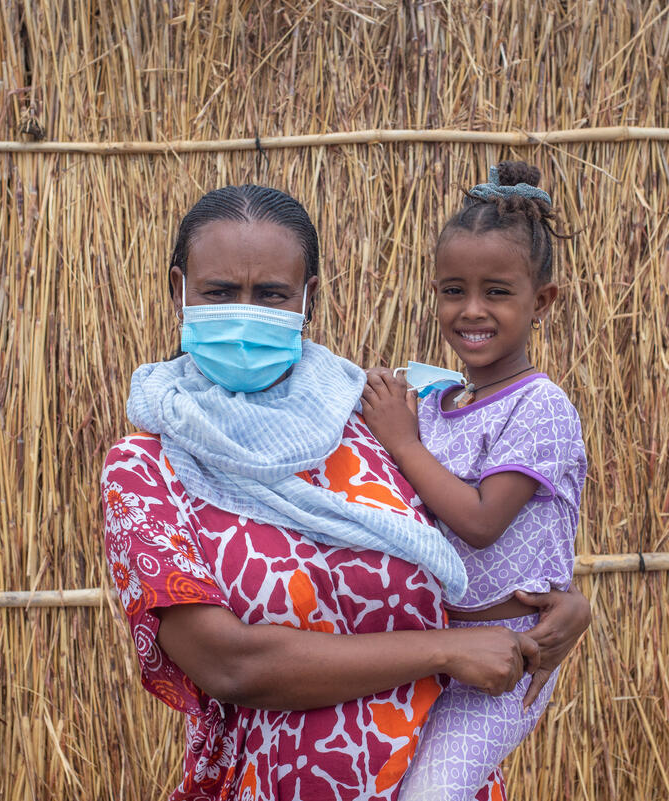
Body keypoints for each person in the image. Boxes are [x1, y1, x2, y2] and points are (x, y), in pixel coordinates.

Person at [100, 183, 591, 801]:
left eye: (272, 294)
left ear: (308, 299)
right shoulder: (146, 472)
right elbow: (231, 664)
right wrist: (446, 648)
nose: (246, 312)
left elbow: (484, 531)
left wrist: (562, 604)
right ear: (180, 291)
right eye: (221, 292)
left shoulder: (366, 426)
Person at [360, 161, 587, 801]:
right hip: (428, 646)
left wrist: (401, 440)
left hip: (506, 658)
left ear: (542, 302)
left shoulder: (540, 407)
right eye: (453, 290)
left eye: (498, 292)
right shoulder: (436, 403)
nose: (472, 311)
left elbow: (484, 524)